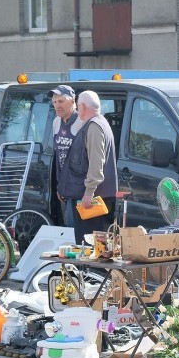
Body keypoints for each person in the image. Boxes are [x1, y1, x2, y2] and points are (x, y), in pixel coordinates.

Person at [57, 90, 117, 244]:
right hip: (97, 197)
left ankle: (92, 270)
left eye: (78, 106)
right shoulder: (101, 122)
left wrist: (89, 192)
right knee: (97, 247)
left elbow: (97, 163)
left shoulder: (94, 126)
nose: (78, 110)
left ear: (82, 106)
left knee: (89, 247)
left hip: (92, 200)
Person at [51, 84, 83, 226]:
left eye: (61, 101)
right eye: (55, 102)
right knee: (69, 226)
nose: (57, 105)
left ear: (73, 100)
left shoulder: (82, 122)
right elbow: (58, 157)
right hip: (65, 184)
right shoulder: (56, 122)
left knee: (81, 229)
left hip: (81, 185)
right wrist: (60, 185)